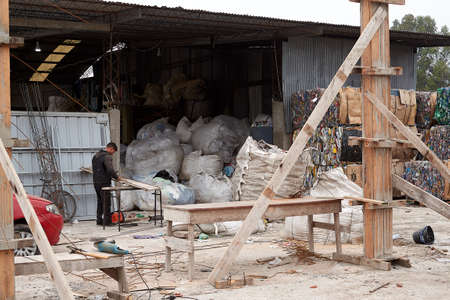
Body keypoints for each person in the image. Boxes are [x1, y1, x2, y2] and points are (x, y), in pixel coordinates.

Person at [92, 142, 121, 225]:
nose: (113, 153)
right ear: (110, 149)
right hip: (104, 183)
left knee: (100, 201)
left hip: (96, 182)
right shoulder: (107, 156)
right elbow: (110, 170)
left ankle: (99, 220)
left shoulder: (96, 155)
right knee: (106, 202)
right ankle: (107, 222)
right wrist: (117, 177)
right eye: (113, 151)